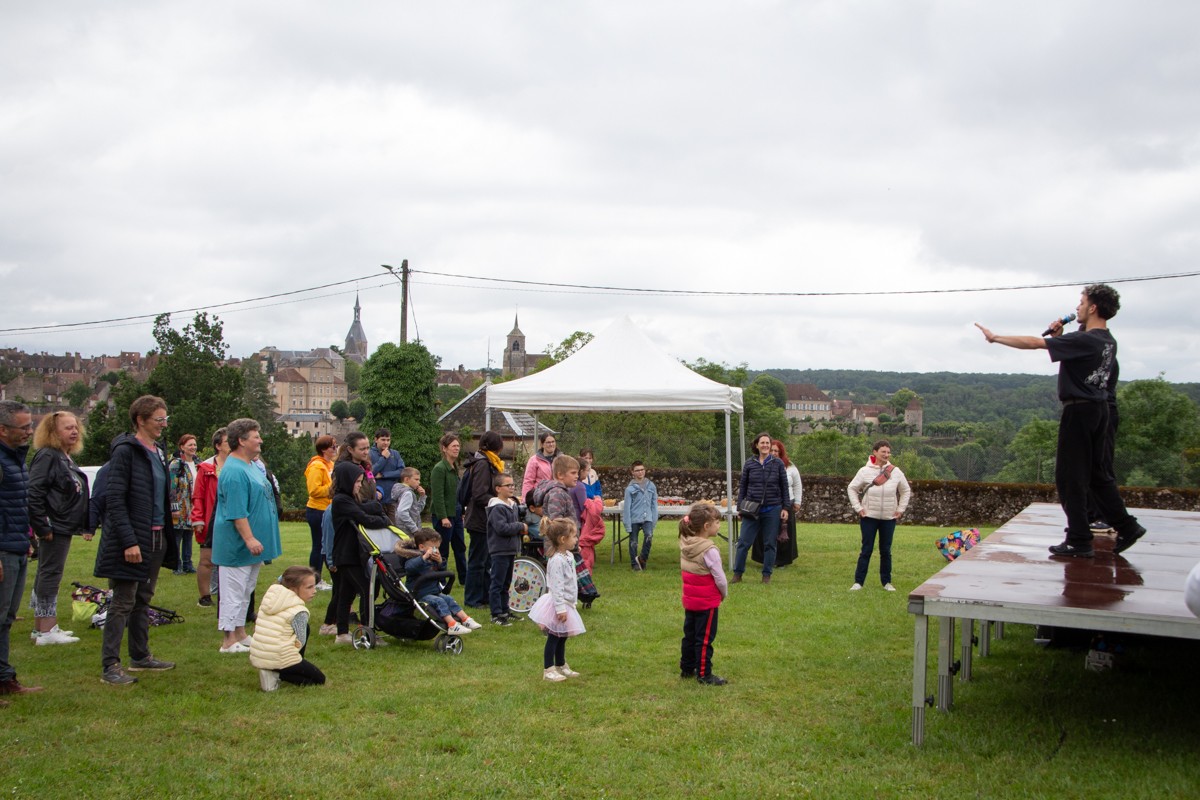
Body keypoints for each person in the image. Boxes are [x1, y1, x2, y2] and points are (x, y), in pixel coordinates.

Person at [976, 284, 1146, 557]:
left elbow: (1034, 343)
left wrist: (995, 338)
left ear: (1092, 308)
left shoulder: (1085, 341)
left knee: (1069, 479)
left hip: (1078, 411)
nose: (1076, 307)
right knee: (1097, 475)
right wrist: (1063, 335)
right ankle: (1128, 526)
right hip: (1099, 410)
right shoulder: (1107, 341)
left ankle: (1079, 540)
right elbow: (1082, 349)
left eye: (1081, 302)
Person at [95, 395, 177, 686]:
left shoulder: (157, 451)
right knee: (123, 601)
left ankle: (140, 656)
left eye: (166, 419)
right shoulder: (126, 451)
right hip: (131, 540)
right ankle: (110, 665)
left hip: (155, 537)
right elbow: (114, 500)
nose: (163, 425)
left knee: (144, 598)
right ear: (140, 420)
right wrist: (129, 542)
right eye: (159, 420)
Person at [212, 418, 283, 654]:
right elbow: (235, 511)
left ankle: (240, 632)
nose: (260, 440)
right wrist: (249, 538)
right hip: (237, 545)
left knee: (246, 590)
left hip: (252, 545)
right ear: (241, 440)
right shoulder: (233, 471)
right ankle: (228, 640)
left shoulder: (250, 465)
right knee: (233, 590)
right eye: (255, 436)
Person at [27, 411, 91, 645]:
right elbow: (34, 493)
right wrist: (43, 526)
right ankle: (46, 629)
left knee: (48, 572)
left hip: (63, 524)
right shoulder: (48, 456)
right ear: (53, 432)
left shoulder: (64, 456)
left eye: (75, 427)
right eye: (67, 428)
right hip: (55, 525)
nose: (74, 431)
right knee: (50, 574)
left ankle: (41, 628)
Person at [0, 400, 43, 696]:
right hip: (2, 550)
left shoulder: (15, 459)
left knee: (6, 619)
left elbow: (17, 505)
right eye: (24, 426)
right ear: (3, 430)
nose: (30, 431)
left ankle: (4, 678)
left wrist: (28, 539)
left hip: (15, 546)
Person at [329, 460, 391, 644]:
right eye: (357, 482)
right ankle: (367, 630)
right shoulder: (341, 500)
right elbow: (364, 518)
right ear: (347, 481)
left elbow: (368, 507)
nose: (359, 486)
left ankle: (342, 633)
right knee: (366, 589)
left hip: (354, 553)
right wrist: (385, 521)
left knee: (346, 593)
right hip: (346, 553)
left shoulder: (350, 499)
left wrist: (375, 510)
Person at [846, 440, 911, 592]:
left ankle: (887, 582)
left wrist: (900, 509)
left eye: (888, 452)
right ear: (875, 452)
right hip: (869, 516)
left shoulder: (896, 471)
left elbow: (905, 490)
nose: (886, 455)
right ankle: (858, 582)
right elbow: (852, 488)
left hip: (889, 518)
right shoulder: (864, 471)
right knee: (866, 549)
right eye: (883, 452)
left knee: (886, 550)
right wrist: (858, 508)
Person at [249, 566, 326, 691]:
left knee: (304, 628)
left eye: (314, 586)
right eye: (309, 587)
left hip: (258, 654)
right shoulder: (299, 611)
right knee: (319, 680)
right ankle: (277, 673)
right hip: (280, 656)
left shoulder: (271, 598)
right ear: (293, 589)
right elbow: (300, 640)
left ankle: (271, 668)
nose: (314, 591)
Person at [527, 518, 586, 682]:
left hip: (567, 602)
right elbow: (557, 586)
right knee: (554, 637)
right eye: (574, 536)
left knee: (563, 635)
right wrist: (560, 609)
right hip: (558, 604)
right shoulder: (556, 561)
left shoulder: (567, 555)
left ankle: (560, 664)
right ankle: (548, 669)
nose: (576, 540)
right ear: (563, 539)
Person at [679, 502, 729, 686]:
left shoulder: (686, 543)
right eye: (717, 522)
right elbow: (720, 578)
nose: (719, 526)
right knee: (705, 638)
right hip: (707, 602)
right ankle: (704, 673)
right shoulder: (710, 550)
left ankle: (686, 668)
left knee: (689, 634)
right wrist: (723, 594)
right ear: (707, 527)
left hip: (690, 600)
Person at [731, 433, 790, 585]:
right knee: (743, 542)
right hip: (751, 509)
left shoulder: (777, 464)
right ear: (756, 445)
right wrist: (739, 507)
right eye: (762, 443)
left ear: (770, 446)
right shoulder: (749, 464)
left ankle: (766, 575)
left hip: (772, 509)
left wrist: (785, 508)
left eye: (767, 443)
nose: (765, 445)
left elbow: (784, 487)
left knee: (770, 543)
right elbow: (743, 487)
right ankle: (737, 574)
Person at [404, 529, 482, 634]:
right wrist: (424, 557)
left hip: (433, 590)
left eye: (438, 548)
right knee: (439, 602)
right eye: (434, 548)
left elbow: (441, 573)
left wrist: (440, 562)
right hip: (420, 593)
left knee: (448, 599)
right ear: (422, 547)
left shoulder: (433, 559)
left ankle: (465, 619)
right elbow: (410, 568)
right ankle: (452, 624)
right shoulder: (414, 558)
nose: (436, 550)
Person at [462, 431, 505, 609]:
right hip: (479, 520)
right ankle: (472, 599)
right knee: (477, 561)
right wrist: (499, 501)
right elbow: (479, 494)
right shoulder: (482, 464)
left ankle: (485, 596)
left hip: (485, 519)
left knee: (487, 560)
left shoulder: (488, 462)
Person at [190, 427, 228, 607]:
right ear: (218, 445)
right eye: (228, 442)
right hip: (210, 519)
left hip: (231, 518)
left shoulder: (240, 465)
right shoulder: (205, 468)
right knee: (207, 559)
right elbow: (198, 495)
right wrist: (198, 518)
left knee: (228, 560)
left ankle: (226, 595)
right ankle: (205, 596)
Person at [753, 439, 801, 569]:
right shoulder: (762, 464)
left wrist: (797, 502)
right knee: (767, 532)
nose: (773, 453)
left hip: (787, 502)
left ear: (781, 453)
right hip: (768, 503)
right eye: (772, 450)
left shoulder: (790, 467)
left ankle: (782, 560)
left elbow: (797, 485)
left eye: (776, 451)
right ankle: (765, 559)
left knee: (784, 533)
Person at [487, 473, 527, 625]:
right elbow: (501, 528)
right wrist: (520, 526)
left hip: (510, 549)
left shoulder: (511, 504)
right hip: (499, 550)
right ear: (498, 488)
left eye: (512, 485)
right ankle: (496, 614)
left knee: (506, 583)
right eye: (508, 485)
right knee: (497, 583)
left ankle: (505, 610)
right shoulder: (496, 507)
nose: (512, 488)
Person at [430, 433, 466, 585]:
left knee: (460, 548)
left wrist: (462, 512)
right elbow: (437, 495)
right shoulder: (439, 469)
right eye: (453, 446)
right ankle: (440, 581)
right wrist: (443, 517)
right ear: (444, 449)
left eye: (458, 446)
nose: (456, 449)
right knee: (442, 550)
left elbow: (456, 493)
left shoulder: (454, 467)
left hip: (456, 513)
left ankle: (465, 579)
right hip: (443, 514)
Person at [303, 435, 336, 591]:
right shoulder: (317, 466)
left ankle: (320, 577)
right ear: (324, 449)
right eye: (332, 447)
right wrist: (333, 490)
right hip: (317, 510)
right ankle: (315, 579)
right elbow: (314, 490)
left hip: (328, 509)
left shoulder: (330, 464)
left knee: (326, 545)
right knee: (319, 545)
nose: (335, 449)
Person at [168, 434, 199, 576]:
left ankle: (188, 563)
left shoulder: (198, 464)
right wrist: (173, 506)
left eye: (194, 444)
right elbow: (171, 487)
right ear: (182, 447)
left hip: (193, 506)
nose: (193, 447)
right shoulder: (176, 464)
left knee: (188, 535)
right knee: (177, 536)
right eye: (189, 445)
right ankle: (176, 565)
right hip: (180, 506)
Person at [520, 432, 558, 539]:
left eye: (553, 442)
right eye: (548, 442)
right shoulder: (534, 460)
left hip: (555, 499)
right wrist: (525, 500)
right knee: (542, 528)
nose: (551, 444)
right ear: (542, 444)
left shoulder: (561, 458)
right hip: (539, 500)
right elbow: (528, 481)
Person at [621, 461, 658, 571]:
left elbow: (654, 504)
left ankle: (642, 559)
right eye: (637, 470)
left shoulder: (651, 486)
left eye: (642, 469)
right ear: (632, 472)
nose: (640, 472)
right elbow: (627, 508)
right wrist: (627, 524)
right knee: (633, 542)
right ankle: (634, 564)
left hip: (648, 518)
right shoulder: (630, 489)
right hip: (634, 518)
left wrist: (654, 520)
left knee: (649, 535)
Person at [370, 428, 405, 517]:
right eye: (383, 440)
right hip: (377, 499)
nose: (386, 443)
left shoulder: (395, 454)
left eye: (388, 440)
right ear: (376, 440)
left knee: (394, 527)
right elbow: (370, 473)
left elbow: (402, 472)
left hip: (392, 499)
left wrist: (383, 475)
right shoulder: (369, 454)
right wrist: (383, 458)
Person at [391, 467, 426, 535]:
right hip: (407, 531)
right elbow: (401, 512)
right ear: (407, 479)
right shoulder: (408, 493)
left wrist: (422, 497)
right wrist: (414, 529)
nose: (419, 482)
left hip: (402, 529)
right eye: (416, 479)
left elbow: (416, 511)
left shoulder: (401, 492)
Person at [578, 495, 605, 573]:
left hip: (584, 541)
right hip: (585, 541)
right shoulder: (594, 515)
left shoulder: (592, 514)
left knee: (586, 560)